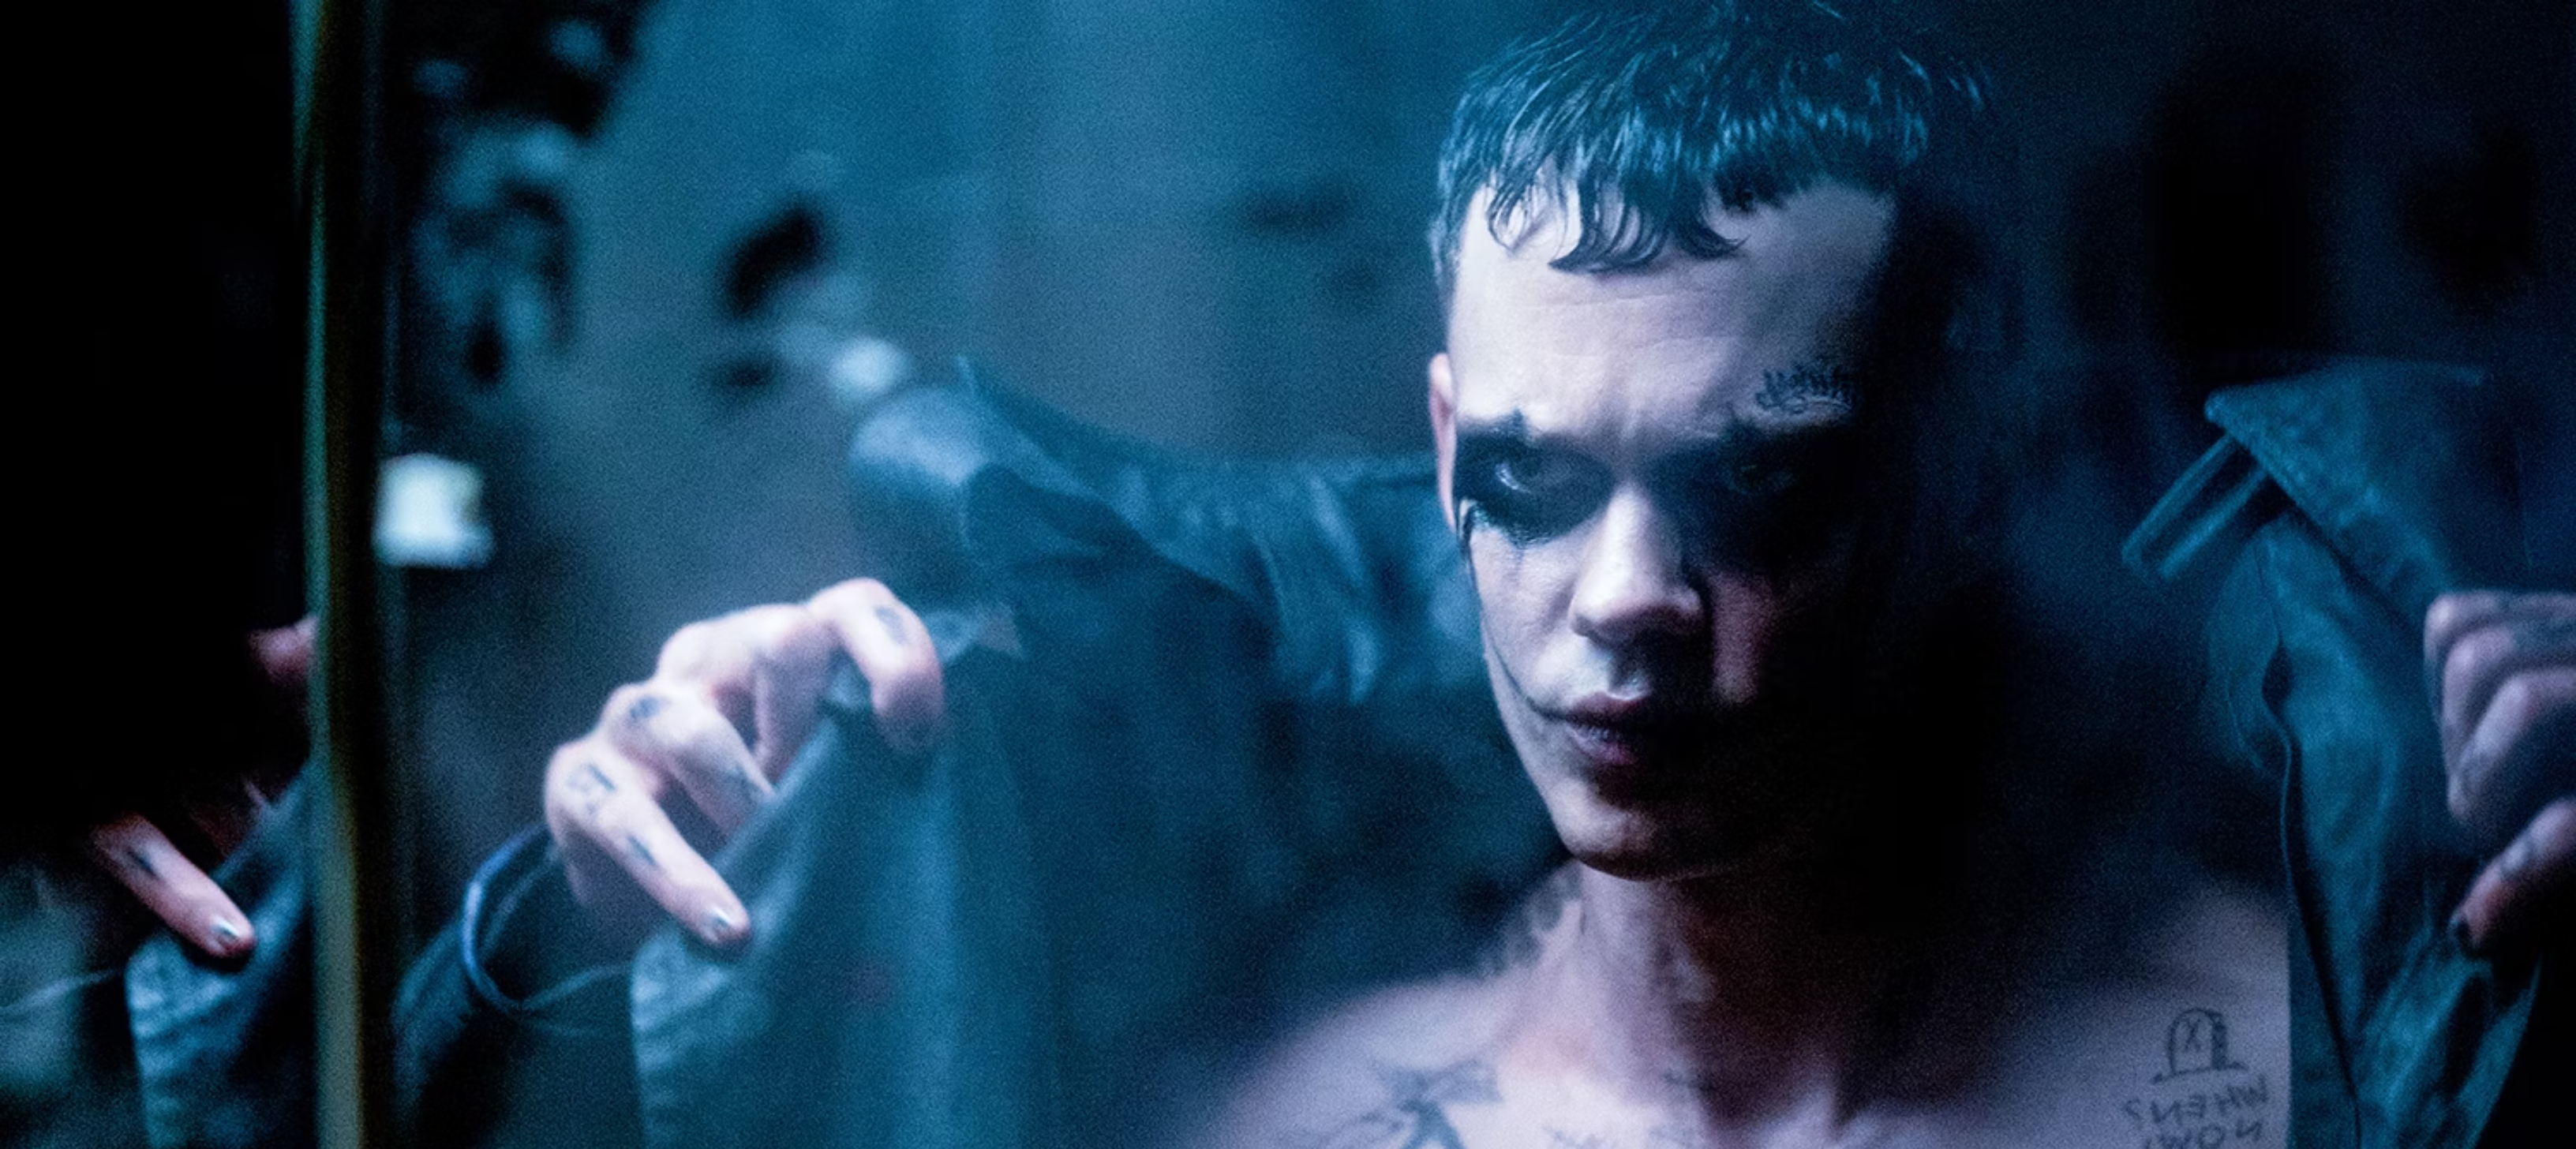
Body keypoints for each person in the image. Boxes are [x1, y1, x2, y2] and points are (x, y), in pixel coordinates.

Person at [414, 2, 2571, 1146]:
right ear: (1448, 449)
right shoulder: (1294, 1114)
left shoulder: (2313, 1038)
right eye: (1534, 482)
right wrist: (618, 920)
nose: (1625, 596)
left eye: (1759, 484)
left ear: (1967, 464)